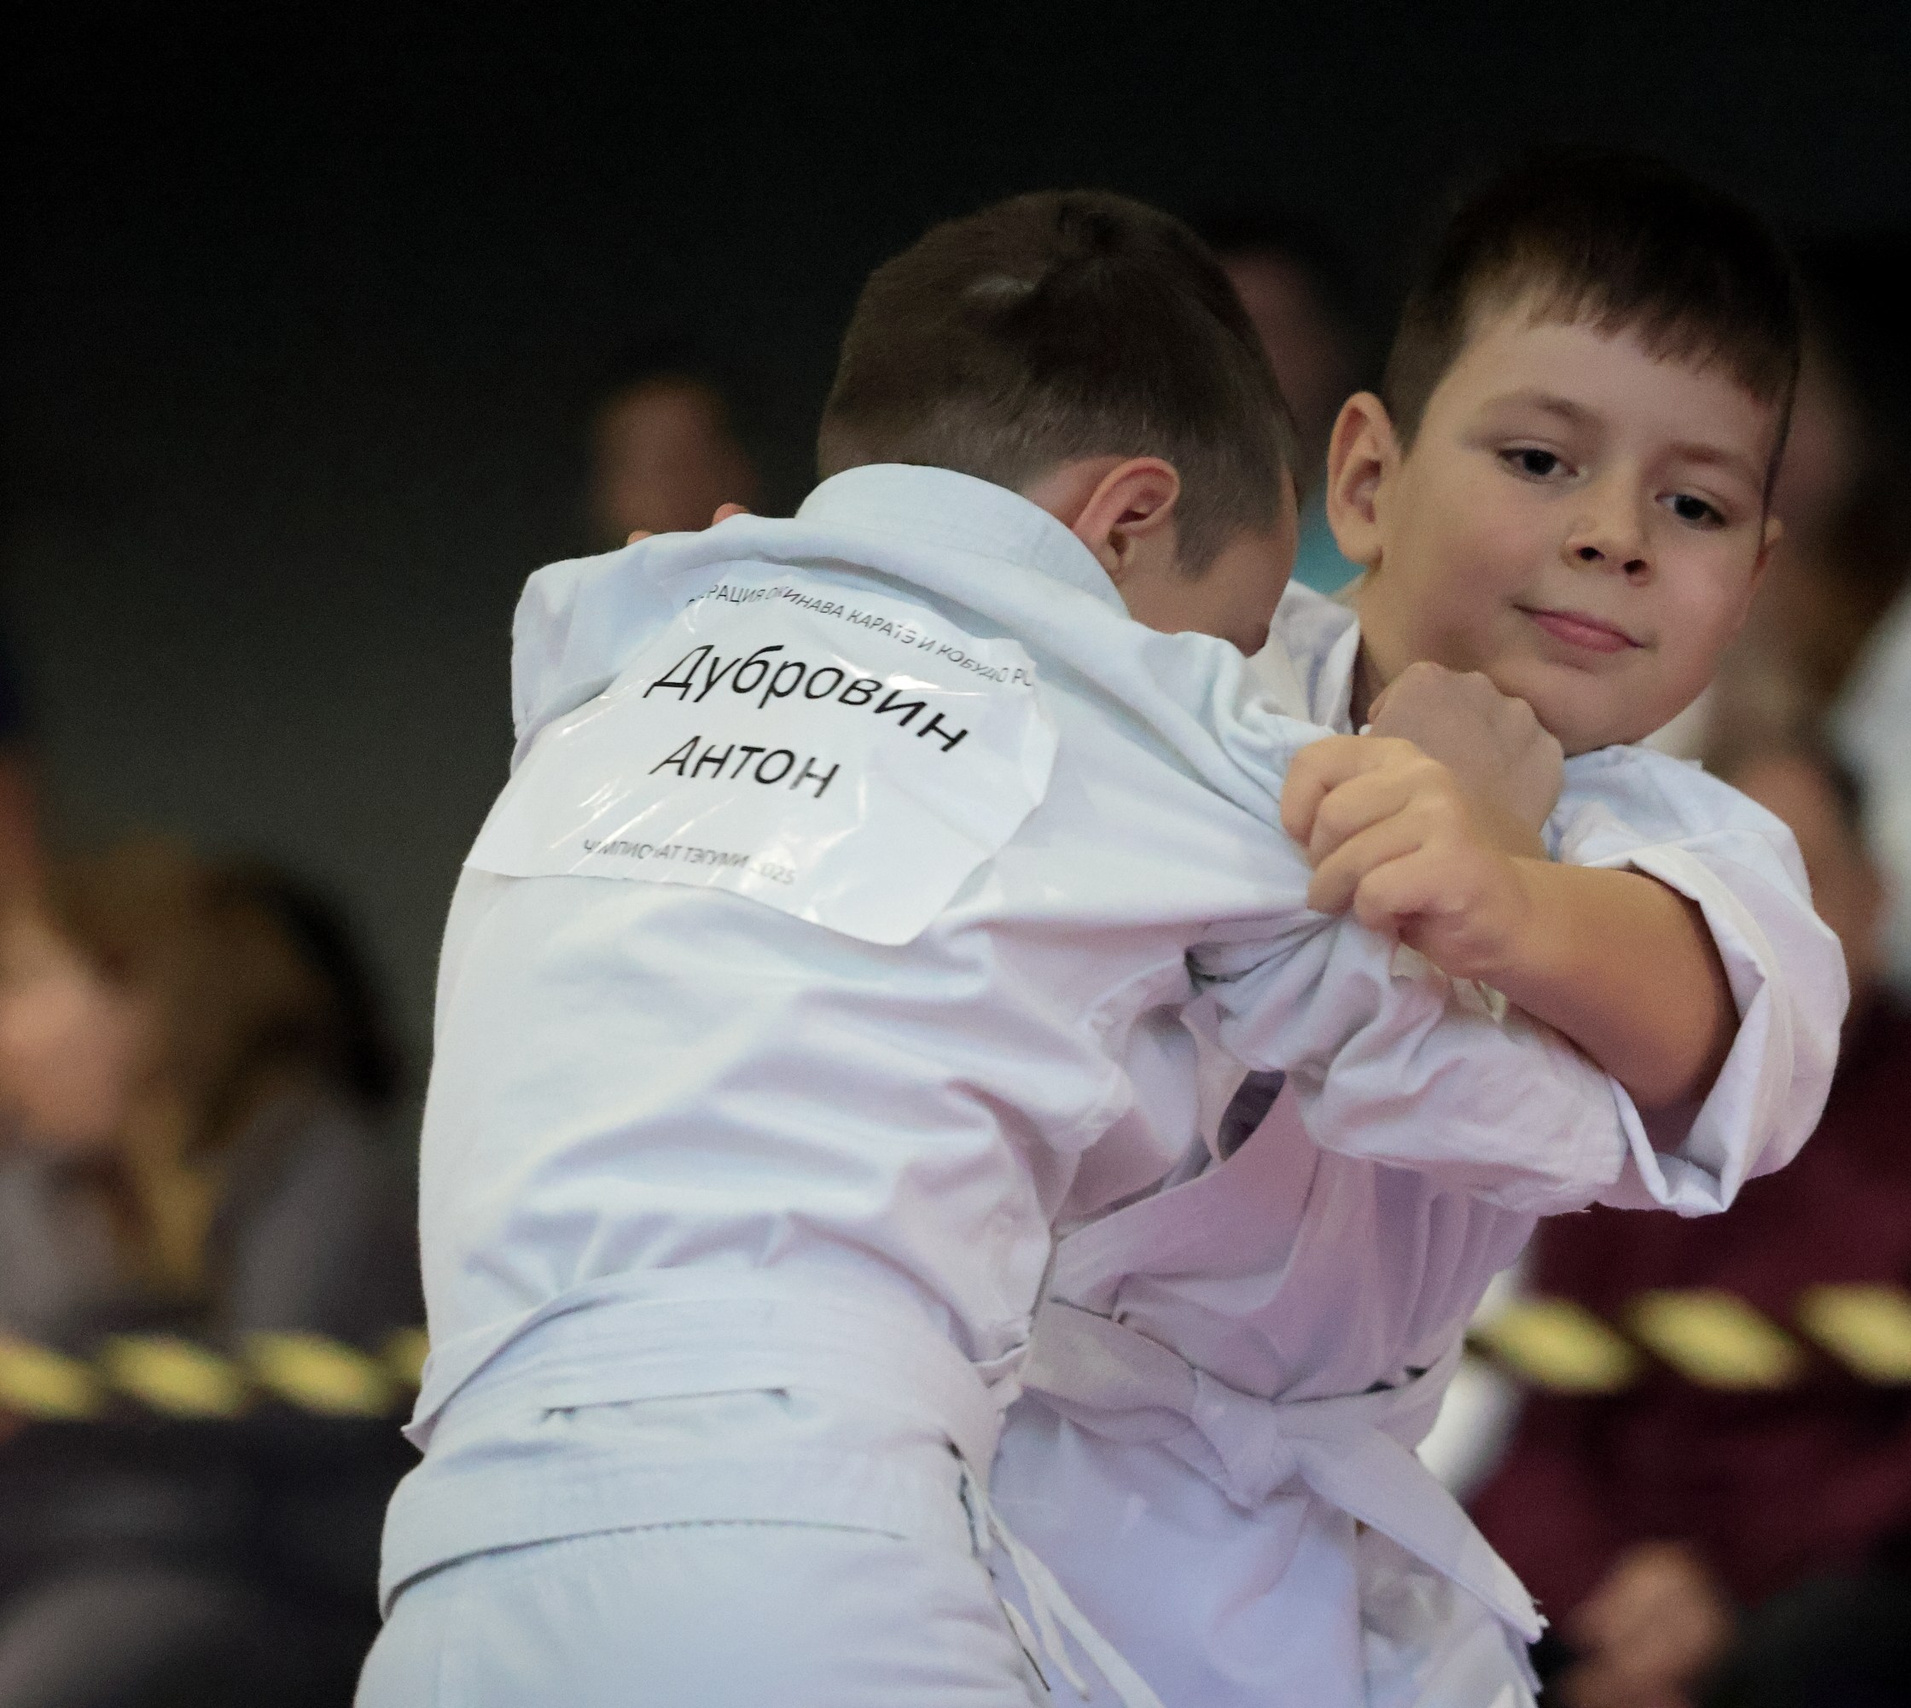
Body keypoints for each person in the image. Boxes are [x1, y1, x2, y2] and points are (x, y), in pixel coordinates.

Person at [358, 190, 1682, 1708]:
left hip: (458, 1571)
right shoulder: (1145, 720)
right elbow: (1536, 1116)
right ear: (1124, 519)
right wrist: (1494, 838)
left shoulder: (615, 653)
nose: (1241, 672)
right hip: (805, 1557)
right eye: (1234, 625)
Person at [992, 155, 1849, 1708]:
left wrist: (1508, 892)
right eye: (1539, 458)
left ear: (1755, 578)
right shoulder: (1180, 692)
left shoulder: (1665, 837)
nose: (1615, 535)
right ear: (1368, 480)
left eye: (1697, 502)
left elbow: (1720, 1022)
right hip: (974, 1487)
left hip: (1318, 1564)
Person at [1461, 745, 1911, 1708]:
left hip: (1835, 1587)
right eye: (1727, 893)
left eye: (1805, 884)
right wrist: (1603, 1599)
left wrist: (1727, 1587)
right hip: (1619, 1596)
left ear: (1878, 898)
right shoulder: (1610, 1121)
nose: (1771, 932)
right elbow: (1550, 1422)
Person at [0, 841, 420, 1708]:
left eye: (28, 985)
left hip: (269, 1589)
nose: (8, 1033)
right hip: (53, 1573)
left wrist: (57, 1384)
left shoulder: (316, 1166)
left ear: (148, 999)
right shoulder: (41, 1189)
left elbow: (285, 1414)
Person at [1651, 336, 1911, 1011]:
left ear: (1851, 425)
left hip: (1890, 1024)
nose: (1766, 444)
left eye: (1792, 409)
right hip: (1663, 1010)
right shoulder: (1631, 615)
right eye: (1732, 411)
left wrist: (1788, 733)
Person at [1202, 212, 1370, 593]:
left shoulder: (1395, 526)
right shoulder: (1137, 529)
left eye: (1266, 330)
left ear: (1332, 347)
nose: (1235, 357)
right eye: (1214, 332)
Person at [585, 360, 764, 550]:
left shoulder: (790, 570)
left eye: (701, 461)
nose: (687, 484)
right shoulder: (564, 578)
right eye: (662, 467)